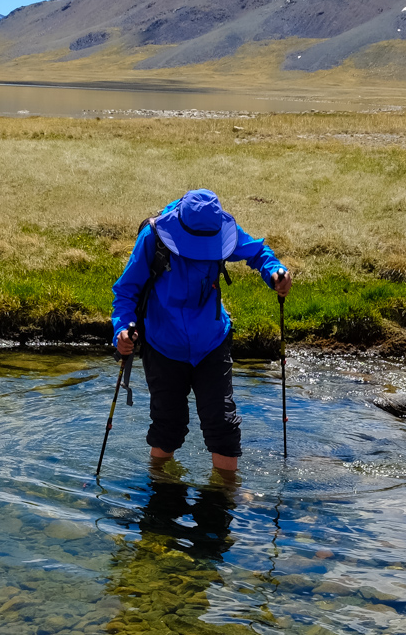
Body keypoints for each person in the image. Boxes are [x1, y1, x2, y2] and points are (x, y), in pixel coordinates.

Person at [112, 189, 291, 474]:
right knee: (168, 425)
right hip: (163, 345)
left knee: (222, 423)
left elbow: (257, 251)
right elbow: (126, 292)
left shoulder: (222, 228)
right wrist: (122, 330)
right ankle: (162, 487)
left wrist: (275, 272)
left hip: (211, 341)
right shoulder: (154, 237)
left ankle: (226, 493)